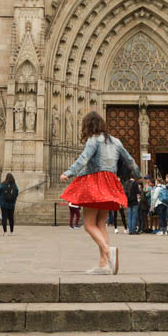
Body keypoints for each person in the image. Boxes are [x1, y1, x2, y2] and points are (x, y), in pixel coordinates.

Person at [60, 110, 140, 274]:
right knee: (100, 224)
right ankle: (104, 264)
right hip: (110, 182)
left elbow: (84, 158)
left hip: (94, 182)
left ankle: (107, 251)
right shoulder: (116, 141)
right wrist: (139, 175)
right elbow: (130, 161)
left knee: (89, 224)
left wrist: (68, 172)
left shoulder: (93, 140)